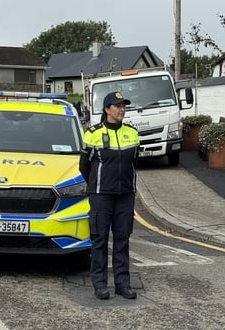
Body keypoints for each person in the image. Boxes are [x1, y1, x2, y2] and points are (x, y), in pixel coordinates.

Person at [79, 91, 140, 300]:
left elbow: (134, 162)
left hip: (125, 195)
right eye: (117, 106)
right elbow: (84, 166)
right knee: (100, 239)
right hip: (101, 195)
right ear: (107, 110)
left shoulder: (132, 133)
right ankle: (100, 284)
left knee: (123, 239)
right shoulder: (92, 133)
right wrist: (97, 185)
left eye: (124, 105)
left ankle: (122, 283)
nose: (122, 109)